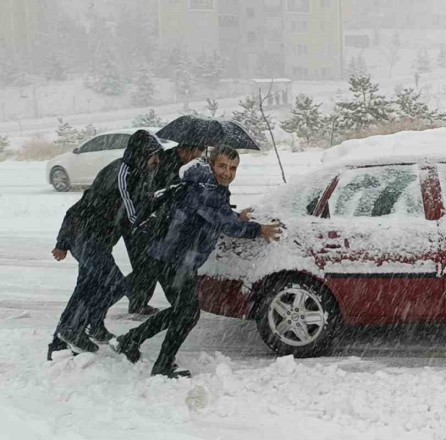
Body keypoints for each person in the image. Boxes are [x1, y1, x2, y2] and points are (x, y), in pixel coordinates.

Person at [111, 146, 282, 378]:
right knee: (187, 313)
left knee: (182, 312)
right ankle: (160, 364)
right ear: (212, 164)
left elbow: (215, 215)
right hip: (174, 257)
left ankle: (130, 340)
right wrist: (259, 229)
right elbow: (223, 223)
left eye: (233, 168)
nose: (228, 173)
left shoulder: (208, 186)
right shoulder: (205, 188)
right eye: (222, 166)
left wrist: (234, 215)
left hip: (172, 255)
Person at [48, 130, 163, 359]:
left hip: (97, 239)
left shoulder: (137, 172)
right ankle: (73, 329)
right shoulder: (122, 173)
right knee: (113, 285)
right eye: (153, 155)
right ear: (141, 153)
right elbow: (132, 216)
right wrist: (62, 242)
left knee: (86, 288)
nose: (156, 161)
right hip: (86, 236)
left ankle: (69, 339)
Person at [125, 143, 207, 315]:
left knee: (149, 268)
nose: (196, 158)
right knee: (148, 268)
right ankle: (110, 295)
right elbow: (155, 194)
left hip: (156, 224)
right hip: (143, 223)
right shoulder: (164, 164)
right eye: (194, 153)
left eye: (199, 154)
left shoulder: (183, 165)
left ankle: (139, 302)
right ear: (182, 150)